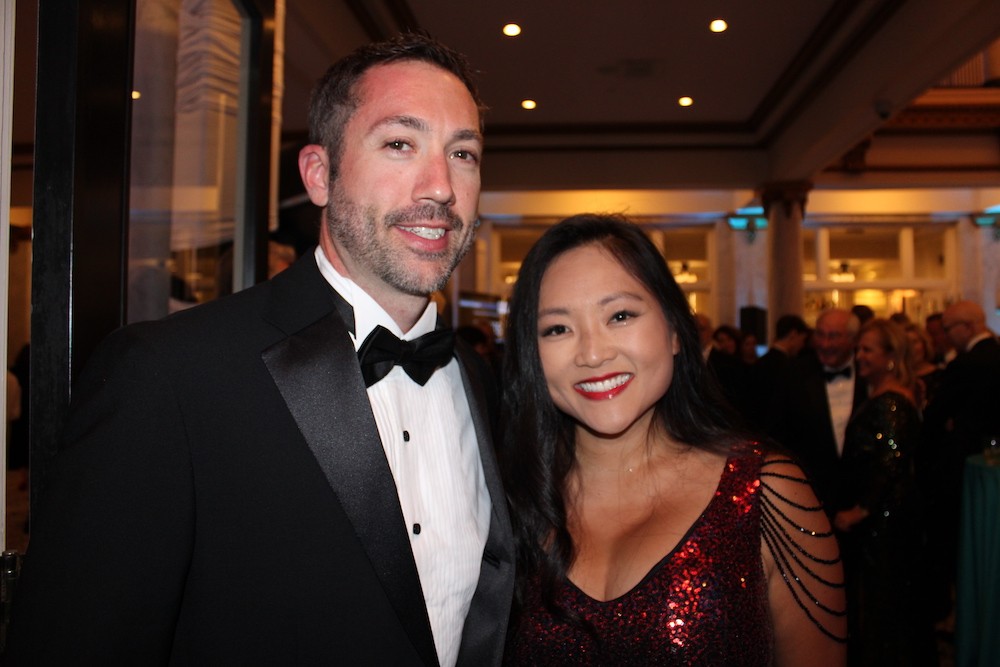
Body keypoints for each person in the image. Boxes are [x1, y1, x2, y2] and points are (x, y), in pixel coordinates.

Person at [5, 33, 513, 665]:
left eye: (462, 153)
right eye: (399, 144)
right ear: (320, 175)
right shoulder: (170, 375)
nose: (440, 186)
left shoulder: (477, 380)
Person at [501, 214, 846, 666]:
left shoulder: (766, 493)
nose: (593, 353)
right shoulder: (507, 503)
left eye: (620, 315)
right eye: (557, 329)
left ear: (676, 331)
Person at [834, 319, 937, 666]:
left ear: (891, 357)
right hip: (884, 517)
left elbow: (891, 463)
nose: (859, 356)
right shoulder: (882, 395)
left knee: (884, 605)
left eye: (868, 350)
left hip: (885, 521)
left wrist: (861, 510)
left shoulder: (891, 402)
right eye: (858, 349)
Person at [772, 308, 867, 514]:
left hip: (861, 500)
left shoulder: (868, 373)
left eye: (834, 336)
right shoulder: (793, 374)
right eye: (820, 335)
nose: (825, 344)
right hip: (810, 496)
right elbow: (779, 434)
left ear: (853, 340)